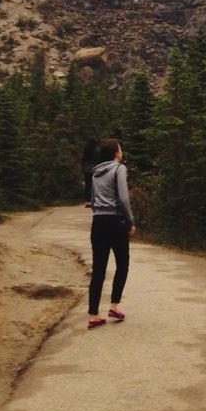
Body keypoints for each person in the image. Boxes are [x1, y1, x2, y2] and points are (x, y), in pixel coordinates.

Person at [87, 138, 136, 328]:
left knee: (98, 270)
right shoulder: (119, 169)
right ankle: (114, 305)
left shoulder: (96, 172)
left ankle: (93, 315)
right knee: (122, 264)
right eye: (120, 148)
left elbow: (92, 199)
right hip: (115, 221)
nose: (121, 151)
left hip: (98, 221)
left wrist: (100, 214)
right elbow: (123, 198)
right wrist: (130, 220)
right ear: (116, 153)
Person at [81, 136, 100, 205]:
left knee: (88, 185)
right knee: (95, 185)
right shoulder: (97, 150)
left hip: (87, 169)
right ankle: (95, 200)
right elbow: (99, 160)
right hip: (95, 169)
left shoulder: (86, 149)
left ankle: (87, 201)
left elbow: (83, 159)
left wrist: (83, 167)